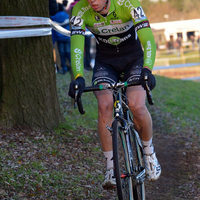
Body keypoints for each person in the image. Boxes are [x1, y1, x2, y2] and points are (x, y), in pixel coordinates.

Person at [68, 0, 161, 189]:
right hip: (106, 63)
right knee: (104, 105)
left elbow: (148, 40)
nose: (92, 1)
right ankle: (111, 167)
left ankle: (149, 154)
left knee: (136, 105)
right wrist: (78, 76)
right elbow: (77, 47)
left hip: (133, 59)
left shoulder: (128, 3)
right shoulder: (80, 10)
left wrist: (147, 68)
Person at [50, 3, 71, 74]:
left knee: (61, 54)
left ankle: (64, 67)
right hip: (67, 37)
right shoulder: (67, 15)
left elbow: (53, 30)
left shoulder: (53, 18)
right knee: (68, 52)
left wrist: (53, 40)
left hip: (59, 38)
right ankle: (71, 67)